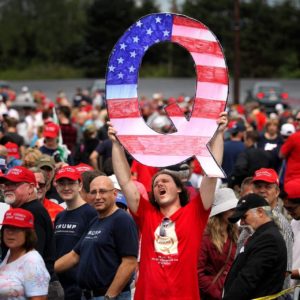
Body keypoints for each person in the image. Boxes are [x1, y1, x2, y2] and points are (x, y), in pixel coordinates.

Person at [109, 112, 228, 300]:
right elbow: (124, 181)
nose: (159, 185)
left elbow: (211, 174)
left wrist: (219, 134)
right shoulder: (146, 213)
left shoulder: (195, 213)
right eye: (155, 184)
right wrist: (117, 144)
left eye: (165, 181)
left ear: (180, 189)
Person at [55, 175, 139, 300]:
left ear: (114, 194)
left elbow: (129, 263)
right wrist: (46, 271)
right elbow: (74, 255)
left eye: (103, 191)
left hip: (109, 296)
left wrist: (109, 297)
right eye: (93, 192)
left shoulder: (122, 219)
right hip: (88, 295)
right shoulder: (95, 221)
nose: (98, 197)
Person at [0, 166, 64, 299]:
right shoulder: (24, 210)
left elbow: (34, 260)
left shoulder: (32, 212)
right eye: (6, 184)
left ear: (30, 188)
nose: (7, 188)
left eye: (14, 184)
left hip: (38, 291)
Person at [223, 193, 287, 299]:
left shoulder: (268, 239)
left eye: (244, 217)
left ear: (260, 212)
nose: (242, 222)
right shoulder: (261, 236)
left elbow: (248, 279)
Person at [53, 166, 98, 300]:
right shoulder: (60, 216)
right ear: (56, 187)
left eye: (71, 183)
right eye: (62, 183)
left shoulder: (91, 214)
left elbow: (86, 252)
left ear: (80, 185)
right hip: (61, 288)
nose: (66, 188)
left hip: (81, 291)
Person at [198, 188, 239, 300]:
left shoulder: (237, 234)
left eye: (236, 209)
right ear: (221, 212)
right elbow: (198, 272)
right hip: (210, 295)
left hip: (231, 293)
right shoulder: (205, 237)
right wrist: (217, 293)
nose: (235, 212)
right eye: (231, 209)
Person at [0, 208, 50, 299]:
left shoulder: (33, 261)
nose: (10, 233)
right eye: (7, 228)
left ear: (28, 233)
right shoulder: (9, 253)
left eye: (16, 228)